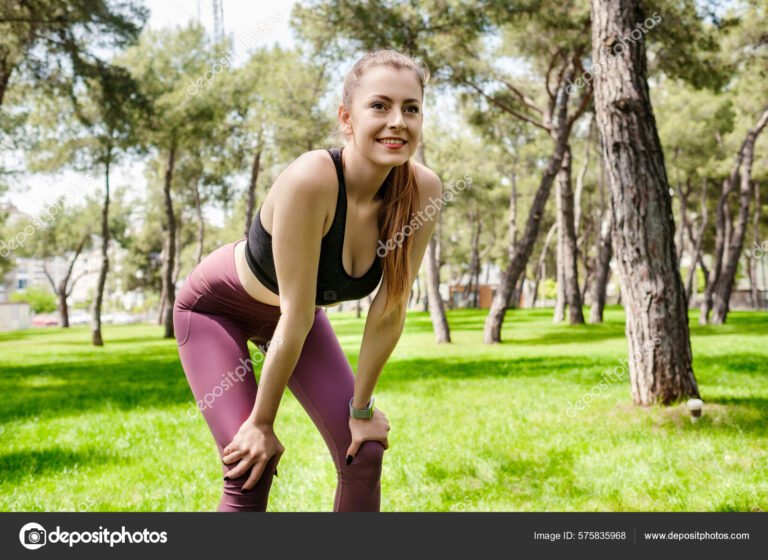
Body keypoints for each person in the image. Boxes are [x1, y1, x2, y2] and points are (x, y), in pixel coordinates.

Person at [173, 49, 443, 512]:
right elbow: (295, 315)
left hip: (296, 319)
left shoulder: (422, 191)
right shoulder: (311, 179)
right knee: (249, 470)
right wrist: (261, 423)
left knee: (365, 454)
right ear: (347, 118)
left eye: (411, 108)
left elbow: (391, 307)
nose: (397, 121)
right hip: (218, 310)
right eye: (379, 106)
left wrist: (361, 411)